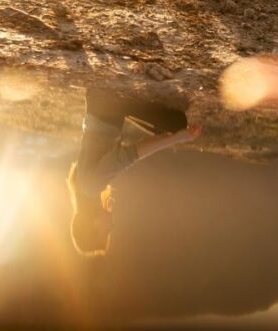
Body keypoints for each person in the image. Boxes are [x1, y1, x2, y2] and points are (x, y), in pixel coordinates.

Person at [67, 84, 202, 256]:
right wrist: (172, 138)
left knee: (177, 123)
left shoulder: (91, 186)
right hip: (104, 104)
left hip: (108, 100)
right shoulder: (85, 189)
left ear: (91, 226)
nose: (111, 228)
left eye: (105, 232)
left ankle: (134, 101)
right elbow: (132, 153)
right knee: (170, 127)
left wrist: (177, 138)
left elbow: (134, 153)